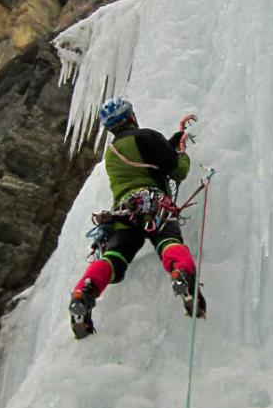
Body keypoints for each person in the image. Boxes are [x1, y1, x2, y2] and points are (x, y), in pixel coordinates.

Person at [69, 96, 206, 339]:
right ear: (131, 116)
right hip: (153, 205)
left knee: (115, 257)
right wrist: (182, 152)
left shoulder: (111, 153)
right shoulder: (146, 136)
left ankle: (85, 291)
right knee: (168, 242)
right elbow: (178, 171)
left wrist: (171, 142)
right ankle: (182, 274)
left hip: (123, 213)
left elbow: (146, 160)